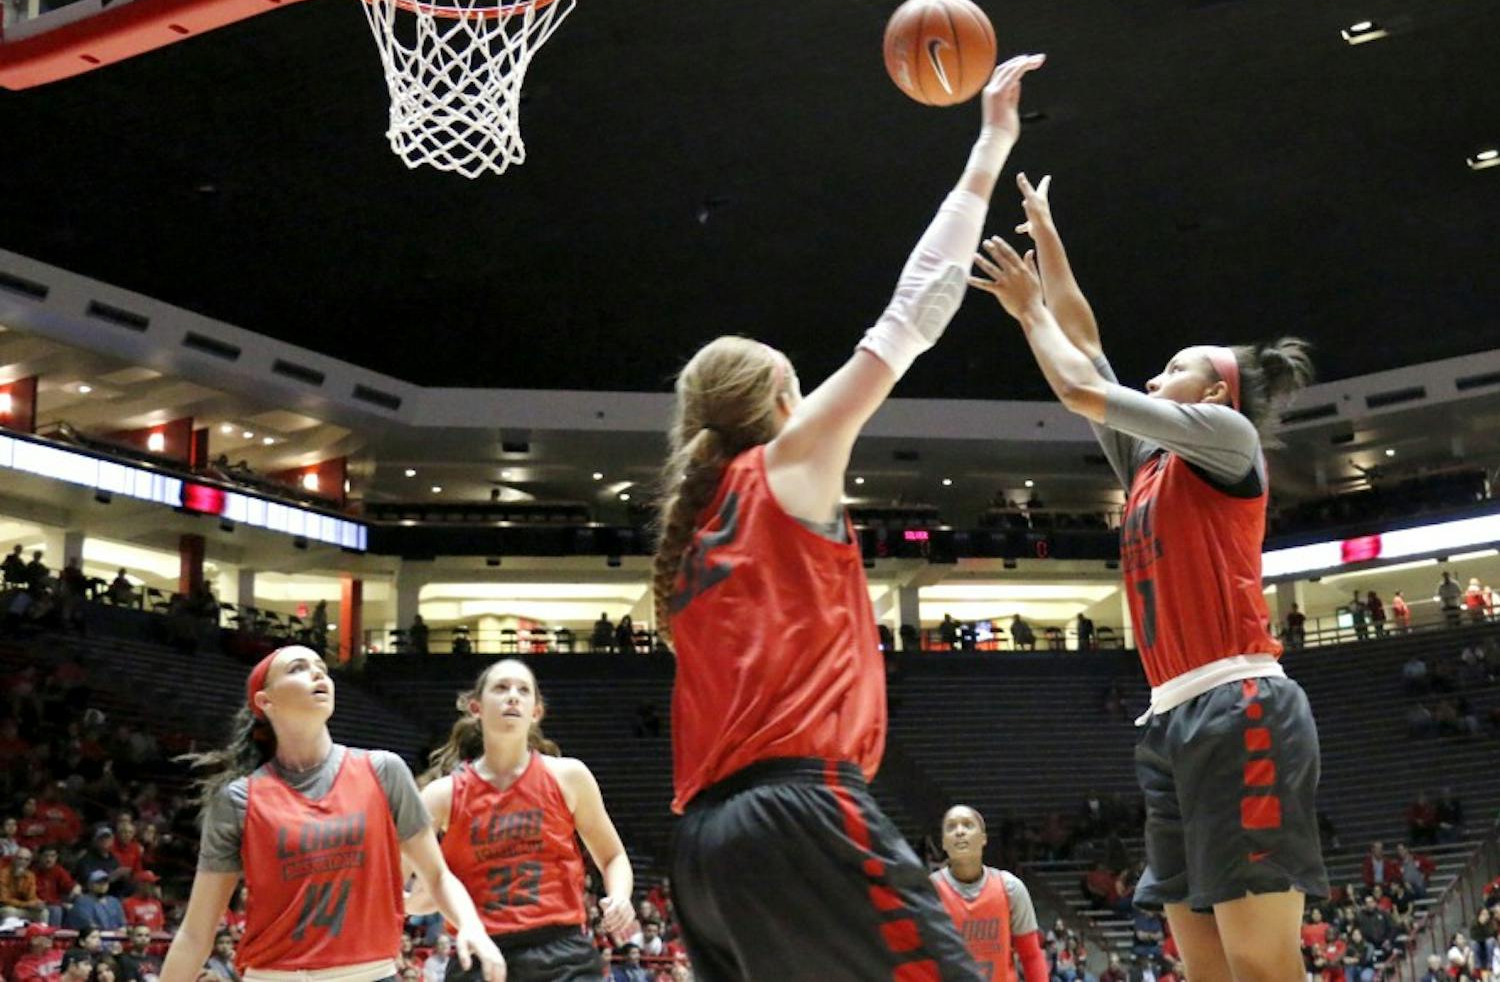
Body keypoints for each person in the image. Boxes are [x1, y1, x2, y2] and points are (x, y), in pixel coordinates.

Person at [653, 54, 1046, 981]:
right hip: (799, 812)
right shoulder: (785, 463)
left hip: (705, 847)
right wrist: (989, 146)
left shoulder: (693, 529)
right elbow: (918, 302)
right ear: (783, 395)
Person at [970, 170, 1327, 982]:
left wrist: (1026, 306)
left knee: (1260, 960)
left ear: (1211, 394)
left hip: (1242, 706)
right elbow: (1087, 342)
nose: (1154, 379)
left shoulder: (1229, 441)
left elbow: (1080, 382)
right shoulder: (1148, 462)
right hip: (1171, 718)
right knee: (1203, 964)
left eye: (1171, 369)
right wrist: (1049, 240)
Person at [157, 645, 505, 982]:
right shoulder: (239, 800)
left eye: (322, 669)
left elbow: (438, 876)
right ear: (265, 702)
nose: (317, 675)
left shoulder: (384, 771)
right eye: (298, 669)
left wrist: (472, 926)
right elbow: (195, 933)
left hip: (373, 975)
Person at [411, 658, 635, 982]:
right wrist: (408, 902)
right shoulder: (441, 795)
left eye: (523, 690)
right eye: (501, 688)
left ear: (536, 712)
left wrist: (620, 896)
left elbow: (613, 856)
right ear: (476, 708)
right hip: (480, 951)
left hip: (562, 950)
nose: (512, 696)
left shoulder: (568, 776)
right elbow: (410, 885)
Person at [930, 805, 1048, 982]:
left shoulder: (1010, 888)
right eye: (951, 827)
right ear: (944, 843)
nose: (959, 831)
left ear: (983, 838)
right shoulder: (929, 892)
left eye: (968, 825)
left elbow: (1031, 956)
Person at [0, 845, 47, 921]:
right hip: (7, 907)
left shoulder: (30, 876)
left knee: (44, 912)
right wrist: (27, 904)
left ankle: (41, 932)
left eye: (26, 860)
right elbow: (4, 900)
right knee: (8, 911)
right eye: (20, 858)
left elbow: (31, 897)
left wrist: (37, 904)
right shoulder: (3, 874)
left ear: (29, 862)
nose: (22, 862)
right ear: (14, 859)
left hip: (23, 908)